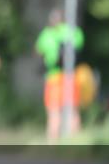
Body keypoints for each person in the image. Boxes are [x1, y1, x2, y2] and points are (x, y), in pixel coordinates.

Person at [35, 9, 84, 141]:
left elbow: (39, 51)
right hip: (70, 75)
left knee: (53, 112)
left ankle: (52, 143)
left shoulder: (47, 33)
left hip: (54, 77)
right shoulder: (73, 31)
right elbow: (80, 46)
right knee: (72, 110)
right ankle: (75, 142)